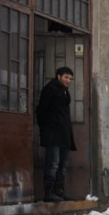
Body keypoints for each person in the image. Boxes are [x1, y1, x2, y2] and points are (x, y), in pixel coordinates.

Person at [36, 66, 77, 202]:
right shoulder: (50, 89)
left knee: (62, 165)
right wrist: (47, 128)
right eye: (66, 77)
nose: (68, 80)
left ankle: (59, 191)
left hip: (64, 134)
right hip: (53, 134)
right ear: (58, 76)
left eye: (70, 78)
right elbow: (41, 110)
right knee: (52, 163)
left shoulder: (65, 92)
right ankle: (49, 193)